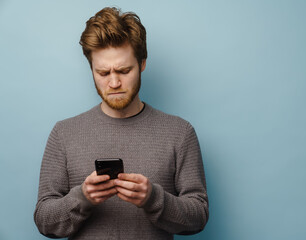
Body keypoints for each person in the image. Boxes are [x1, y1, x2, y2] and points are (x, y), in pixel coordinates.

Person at [34, 6, 209, 240]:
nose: (114, 82)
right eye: (103, 73)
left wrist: (153, 198)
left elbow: (198, 217)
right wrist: (82, 198)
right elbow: (45, 222)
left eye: (124, 70)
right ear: (91, 70)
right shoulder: (63, 133)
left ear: (142, 64)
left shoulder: (180, 132)